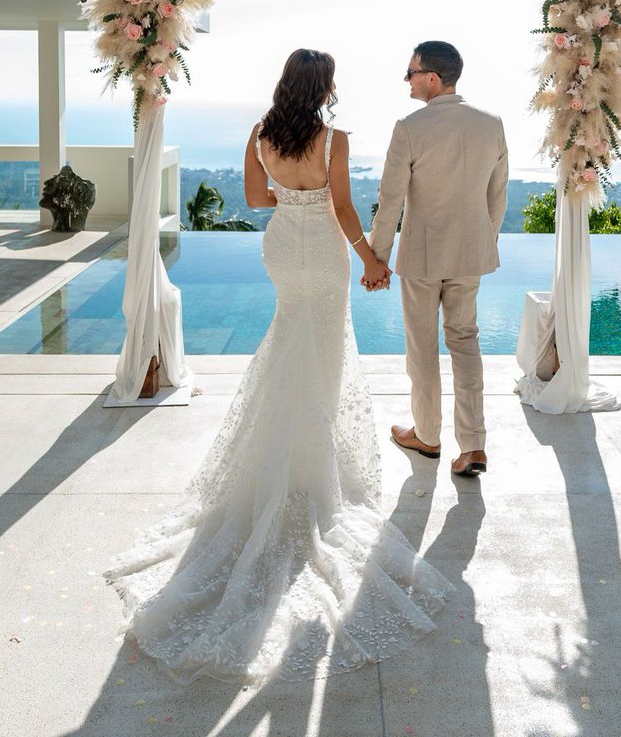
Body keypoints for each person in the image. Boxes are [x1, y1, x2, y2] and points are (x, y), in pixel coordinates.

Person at [104, 49, 451, 683]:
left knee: (288, 338)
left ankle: (281, 458)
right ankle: (312, 465)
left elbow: (258, 198)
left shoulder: (260, 134)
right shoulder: (335, 138)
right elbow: (344, 207)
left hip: (282, 249)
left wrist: (293, 196)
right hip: (323, 248)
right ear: (323, 87)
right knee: (319, 350)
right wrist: (372, 259)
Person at [367, 41, 508, 478]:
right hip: (470, 255)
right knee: (465, 342)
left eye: (409, 72)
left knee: (422, 347)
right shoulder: (492, 124)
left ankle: (427, 437)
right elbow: (496, 195)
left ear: (431, 78)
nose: (405, 80)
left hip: (423, 258)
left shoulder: (409, 127)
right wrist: (483, 241)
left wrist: (378, 259)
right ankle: (474, 446)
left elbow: (389, 201)